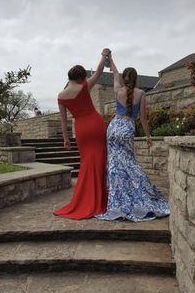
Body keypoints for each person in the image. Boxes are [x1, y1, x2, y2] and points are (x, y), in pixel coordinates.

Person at [96, 54, 170, 222]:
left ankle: (118, 201)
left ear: (124, 79)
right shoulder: (142, 93)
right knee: (130, 163)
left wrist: (110, 59)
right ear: (136, 79)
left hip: (113, 128)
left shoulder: (117, 90)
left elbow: (115, 73)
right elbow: (143, 118)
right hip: (127, 128)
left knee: (115, 166)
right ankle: (140, 193)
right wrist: (148, 136)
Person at [53, 48, 111, 220]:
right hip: (96, 124)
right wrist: (103, 55)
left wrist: (66, 139)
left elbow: (64, 121)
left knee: (86, 162)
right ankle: (100, 198)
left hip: (81, 130)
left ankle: (85, 199)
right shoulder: (84, 86)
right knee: (100, 161)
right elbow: (99, 71)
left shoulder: (61, 96)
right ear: (80, 77)